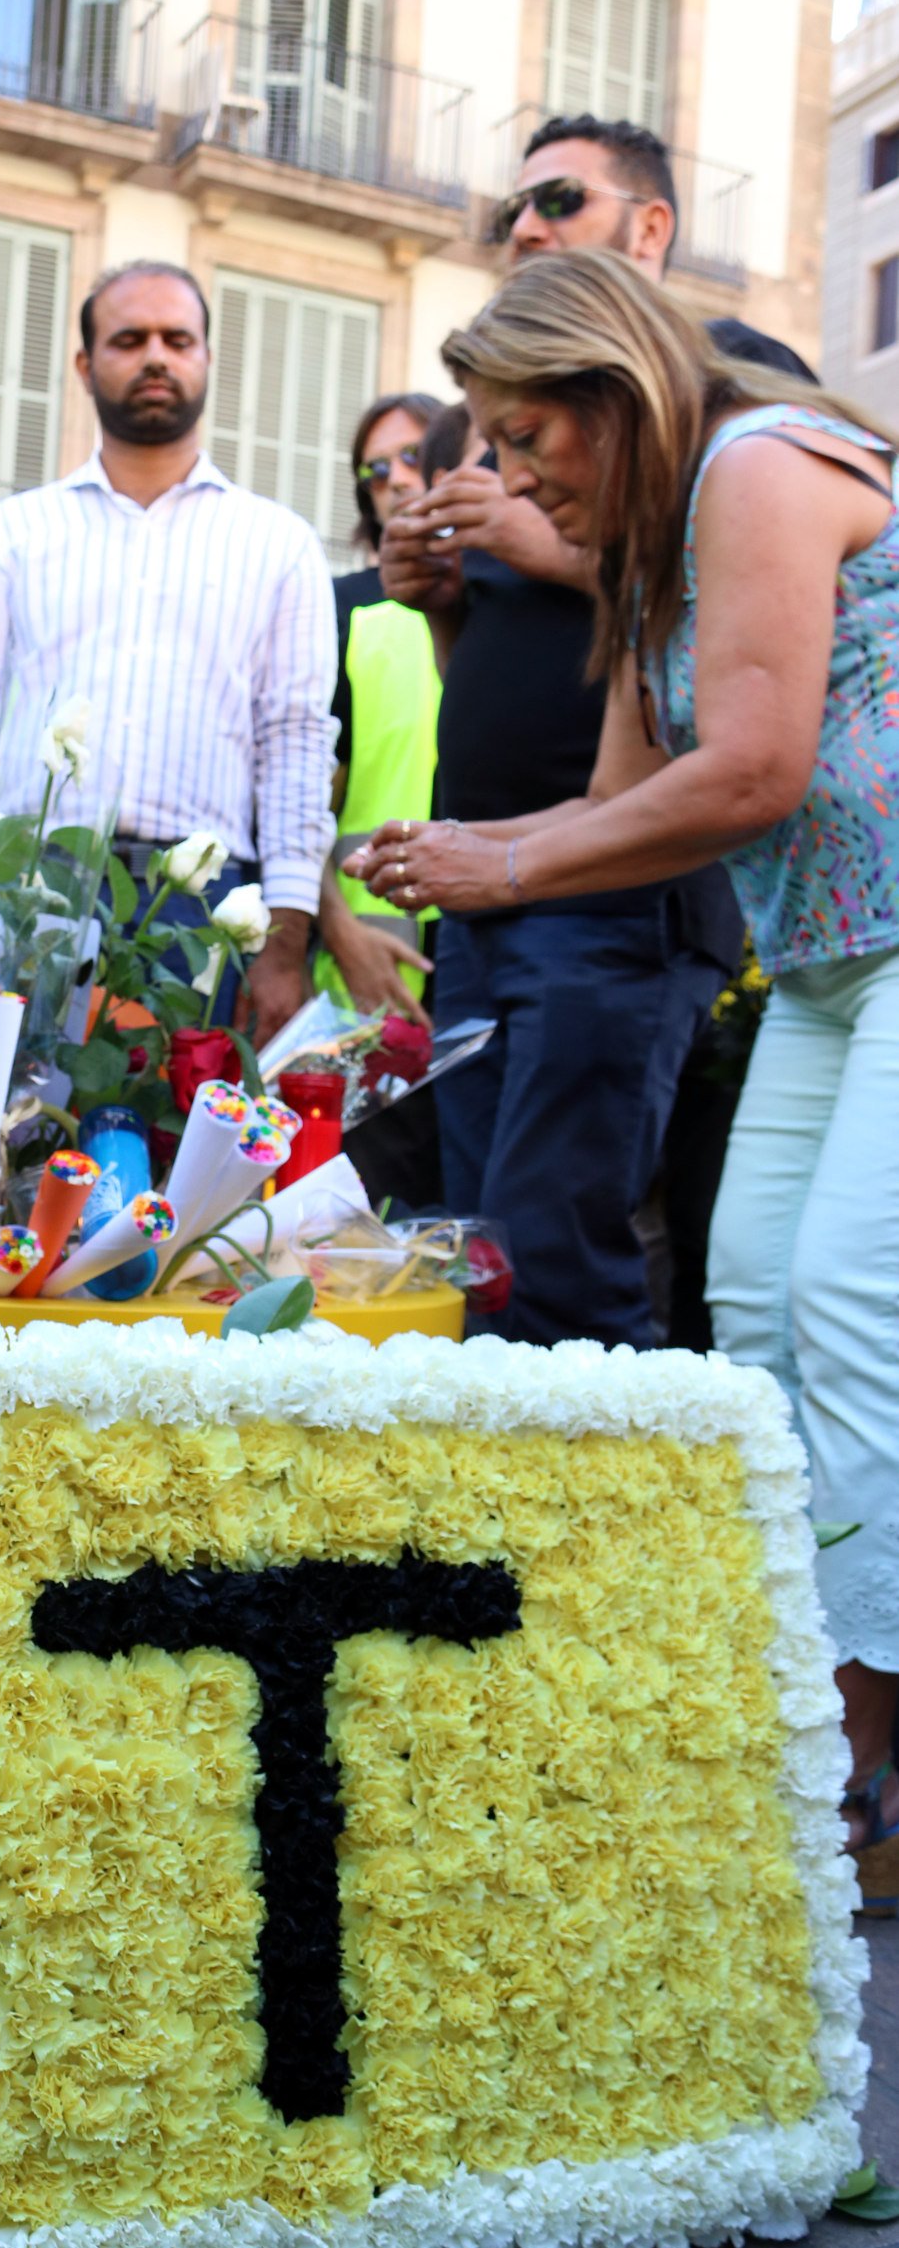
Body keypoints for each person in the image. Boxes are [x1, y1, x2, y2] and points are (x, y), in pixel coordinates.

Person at [348, 249, 899, 1914]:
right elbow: (609, 800)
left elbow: (749, 768)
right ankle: (793, 1706)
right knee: (751, 1304)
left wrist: (503, 871)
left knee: (850, 1299)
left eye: (529, 438)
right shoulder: (651, 557)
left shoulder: (757, 465)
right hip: (825, 959)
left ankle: (860, 1768)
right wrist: (451, 858)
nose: (510, 478)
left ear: (610, 390)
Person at [376, 113, 761, 1346]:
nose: (523, 228)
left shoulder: (722, 387)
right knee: (475, 1259)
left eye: (558, 201)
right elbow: (502, 661)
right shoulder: (494, 411)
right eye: (513, 213)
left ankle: (615, 1536)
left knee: (557, 1258)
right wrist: (442, 599)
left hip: (615, 888)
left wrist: (530, 538)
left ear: (647, 228)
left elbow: (706, 613)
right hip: (497, 876)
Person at [0, 260, 336, 1044]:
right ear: (84, 364)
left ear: (207, 358)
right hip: (33, 893)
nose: (155, 357)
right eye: (129, 339)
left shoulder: (278, 545)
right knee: (21, 1146)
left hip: (204, 912)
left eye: (177, 339)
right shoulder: (10, 535)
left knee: (186, 1153)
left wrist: (284, 944)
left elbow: (294, 745)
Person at [318, 390, 443, 1027]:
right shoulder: (337, 609)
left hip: (499, 950)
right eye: (375, 468)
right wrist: (340, 934)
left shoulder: (515, 606)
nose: (394, 477)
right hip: (365, 963)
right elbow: (294, 796)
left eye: (412, 454)